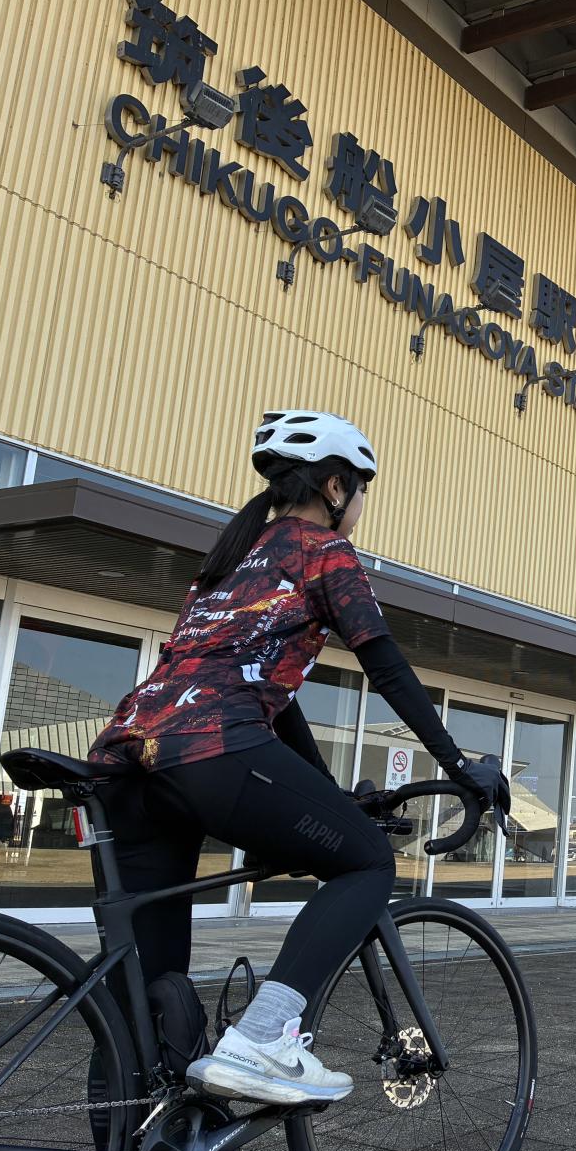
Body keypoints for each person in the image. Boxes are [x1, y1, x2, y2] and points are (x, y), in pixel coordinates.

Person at [89, 411, 508, 1106]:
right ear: (336, 487)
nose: (362, 506)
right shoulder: (323, 550)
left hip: (126, 765)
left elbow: (269, 696)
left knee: (143, 992)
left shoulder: (225, 563)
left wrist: (324, 791)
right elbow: (387, 668)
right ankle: (264, 1038)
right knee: (367, 861)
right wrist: (461, 767)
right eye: (363, 490)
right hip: (212, 752)